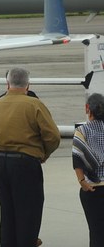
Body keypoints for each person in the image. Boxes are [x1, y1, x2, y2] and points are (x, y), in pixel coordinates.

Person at [0, 67, 61, 247]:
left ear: (7, 84)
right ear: (28, 85)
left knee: (7, 212)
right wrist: (43, 154)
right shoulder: (34, 104)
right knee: (28, 213)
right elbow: (53, 137)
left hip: (1, 163)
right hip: (25, 163)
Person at [73, 93, 104, 246]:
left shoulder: (82, 131)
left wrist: (82, 182)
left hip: (92, 188)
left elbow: (77, 159)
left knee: (96, 232)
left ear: (87, 109)